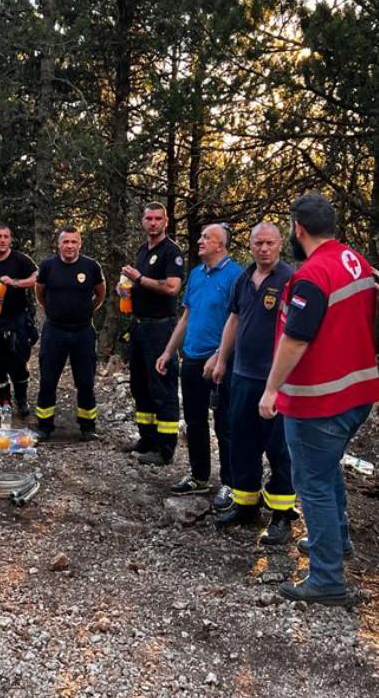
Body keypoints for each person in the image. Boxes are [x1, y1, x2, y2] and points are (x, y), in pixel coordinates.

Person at [259, 193, 379, 605]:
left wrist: (272, 388)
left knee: (312, 483)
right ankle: (336, 542)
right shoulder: (354, 261)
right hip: (357, 391)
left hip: (320, 399)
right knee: (326, 473)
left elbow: (295, 338)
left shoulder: (312, 275)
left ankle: (327, 577)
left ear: (298, 229)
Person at [205, 223, 297, 544]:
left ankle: (282, 514)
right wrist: (221, 358)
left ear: (280, 244)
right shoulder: (243, 279)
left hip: (276, 379)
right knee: (242, 441)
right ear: (250, 244)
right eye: (258, 243)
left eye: (270, 243)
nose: (264, 249)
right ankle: (245, 504)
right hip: (242, 375)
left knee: (279, 447)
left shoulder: (290, 280)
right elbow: (234, 318)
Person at [155, 224, 242, 504]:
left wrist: (219, 355)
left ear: (221, 245)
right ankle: (199, 476)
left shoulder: (236, 276)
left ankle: (231, 482)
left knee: (225, 423)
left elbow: (238, 321)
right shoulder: (196, 274)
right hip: (192, 358)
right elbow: (186, 316)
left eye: (207, 237)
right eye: (201, 235)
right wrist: (169, 351)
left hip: (221, 361)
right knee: (194, 421)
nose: (201, 240)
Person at [120, 203, 185, 465]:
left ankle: (165, 447)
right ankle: (146, 437)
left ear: (166, 221)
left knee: (163, 386)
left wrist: (138, 279)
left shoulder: (171, 251)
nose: (153, 223)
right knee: (139, 384)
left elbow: (172, 287)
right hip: (139, 325)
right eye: (149, 218)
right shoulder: (142, 251)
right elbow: (139, 285)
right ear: (142, 221)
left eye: (158, 218)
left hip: (161, 327)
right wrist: (125, 289)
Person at [33, 226, 105, 440]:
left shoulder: (91, 266)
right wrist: (54, 310)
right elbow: (40, 293)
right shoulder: (47, 266)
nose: (70, 246)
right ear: (59, 244)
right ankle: (44, 426)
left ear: (80, 244)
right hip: (54, 331)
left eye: (74, 242)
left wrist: (86, 311)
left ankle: (87, 426)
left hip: (83, 331)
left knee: (85, 381)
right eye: (66, 242)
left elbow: (100, 293)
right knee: (48, 379)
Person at [0, 222, 38, 419]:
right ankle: (2, 401)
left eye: (6, 236)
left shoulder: (20, 260)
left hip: (17, 320)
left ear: (10, 239)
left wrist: (15, 283)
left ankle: (21, 399)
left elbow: (37, 277)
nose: (3, 240)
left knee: (18, 362)